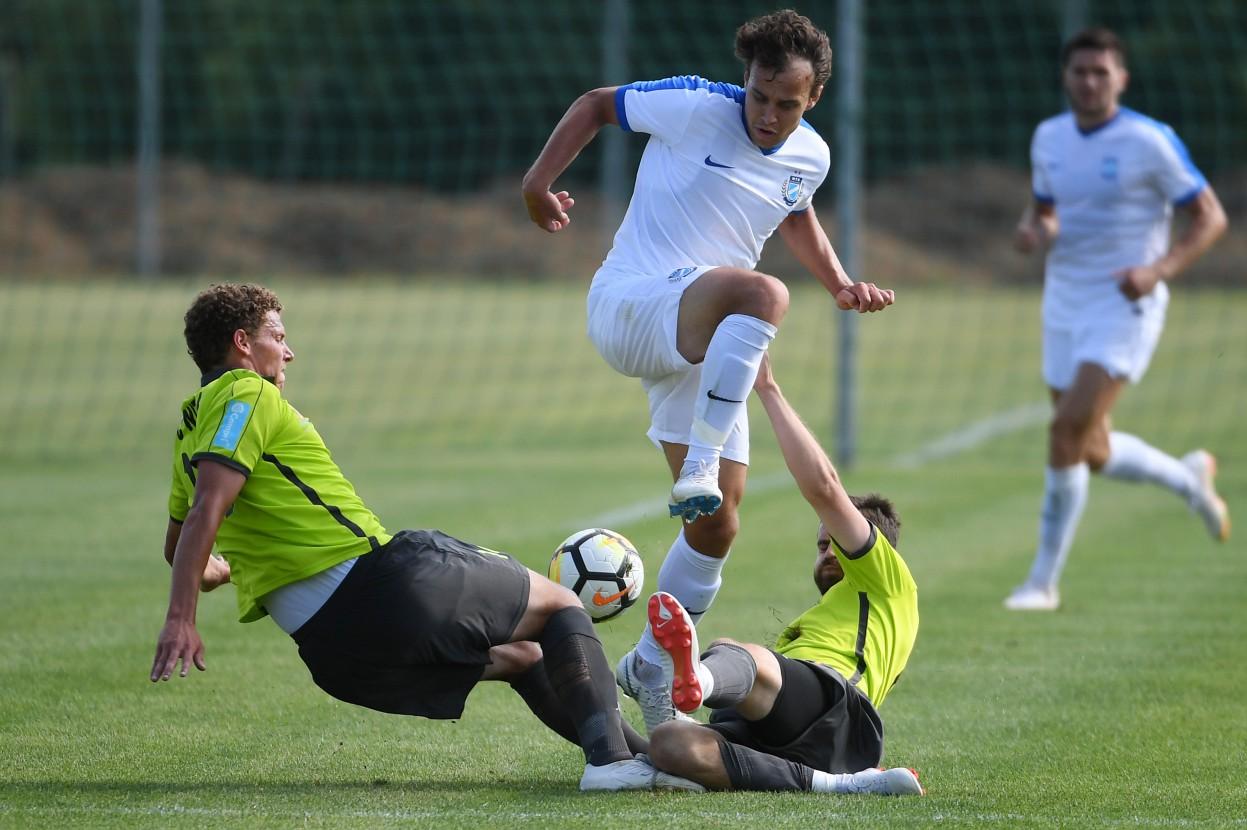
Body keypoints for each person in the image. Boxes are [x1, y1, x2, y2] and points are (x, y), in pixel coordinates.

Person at [149, 283, 702, 793]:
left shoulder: (189, 430)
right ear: (242, 343)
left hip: (338, 658)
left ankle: (647, 760)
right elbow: (208, 509)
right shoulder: (246, 393)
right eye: (277, 336)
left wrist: (233, 568)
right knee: (559, 603)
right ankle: (611, 764)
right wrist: (181, 618)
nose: (288, 352)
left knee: (524, 655)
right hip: (382, 590)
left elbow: (184, 549)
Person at [522, 8, 893, 732]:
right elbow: (596, 104)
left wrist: (842, 283)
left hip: (702, 335)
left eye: (787, 103)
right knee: (765, 294)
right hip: (632, 303)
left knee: (718, 526)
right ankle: (698, 462)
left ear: (814, 98)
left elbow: (794, 212)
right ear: (744, 79)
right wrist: (538, 182)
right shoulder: (695, 105)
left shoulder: (810, 156)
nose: (767, 115)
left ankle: (648, 666)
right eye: (759, 95)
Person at [1004, 27, 1230, 612]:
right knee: (1090, 447)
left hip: (1124, 304)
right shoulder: (1049, 136)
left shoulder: (1150, 141)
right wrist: (1035, 230)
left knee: (1065, 431)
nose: (1089, 82)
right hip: (1064, 301)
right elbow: (1047, 210)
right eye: (1080, 71)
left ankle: (1042, 583)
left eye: (1101, 72)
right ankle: (1188, 479)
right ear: (1066, 77)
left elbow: (1210, 217)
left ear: (1121, 79)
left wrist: (1158, 269)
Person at [636, 355, 922, 795]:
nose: (828, 552)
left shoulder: (887, 582)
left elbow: (824, 489)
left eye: (836, 542)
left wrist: (768, 389)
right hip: (799, 742)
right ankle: (835, 785)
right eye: (821, 546)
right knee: (669, 744)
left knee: (739, 652)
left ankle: (695, 678)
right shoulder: (825, 620)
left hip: (839, 713)